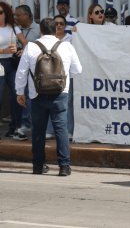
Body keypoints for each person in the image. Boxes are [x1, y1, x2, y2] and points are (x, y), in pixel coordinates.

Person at [15, 18, 82, 176]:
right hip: (60, 93)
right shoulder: (66, 46)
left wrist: (19, 93)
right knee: (61, 130)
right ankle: (64, 166)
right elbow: (78, 70)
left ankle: (38, 166)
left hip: (37, 94)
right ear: (56, 30)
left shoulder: (31, 47)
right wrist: (64, 80)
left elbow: (21, 72)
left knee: (38, 131)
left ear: (41, 31)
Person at [13, 4, 41, 140]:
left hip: (32, 71)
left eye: (18, 15)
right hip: (14, 67)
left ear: (27, 15)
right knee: (18, 96)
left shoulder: (39, 29)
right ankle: (19, 125)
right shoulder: (14, 30)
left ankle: (27, 125)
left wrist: (26, 51)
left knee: (29, 97)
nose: (15, 17)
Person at [0, 1, 28, 139]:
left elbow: (25, 43)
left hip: (11, 63)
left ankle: (16, 128)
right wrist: (3, 50)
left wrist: (22, 50)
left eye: (0, 12)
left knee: (17, 94)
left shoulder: (13, 27)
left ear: (6, 13)